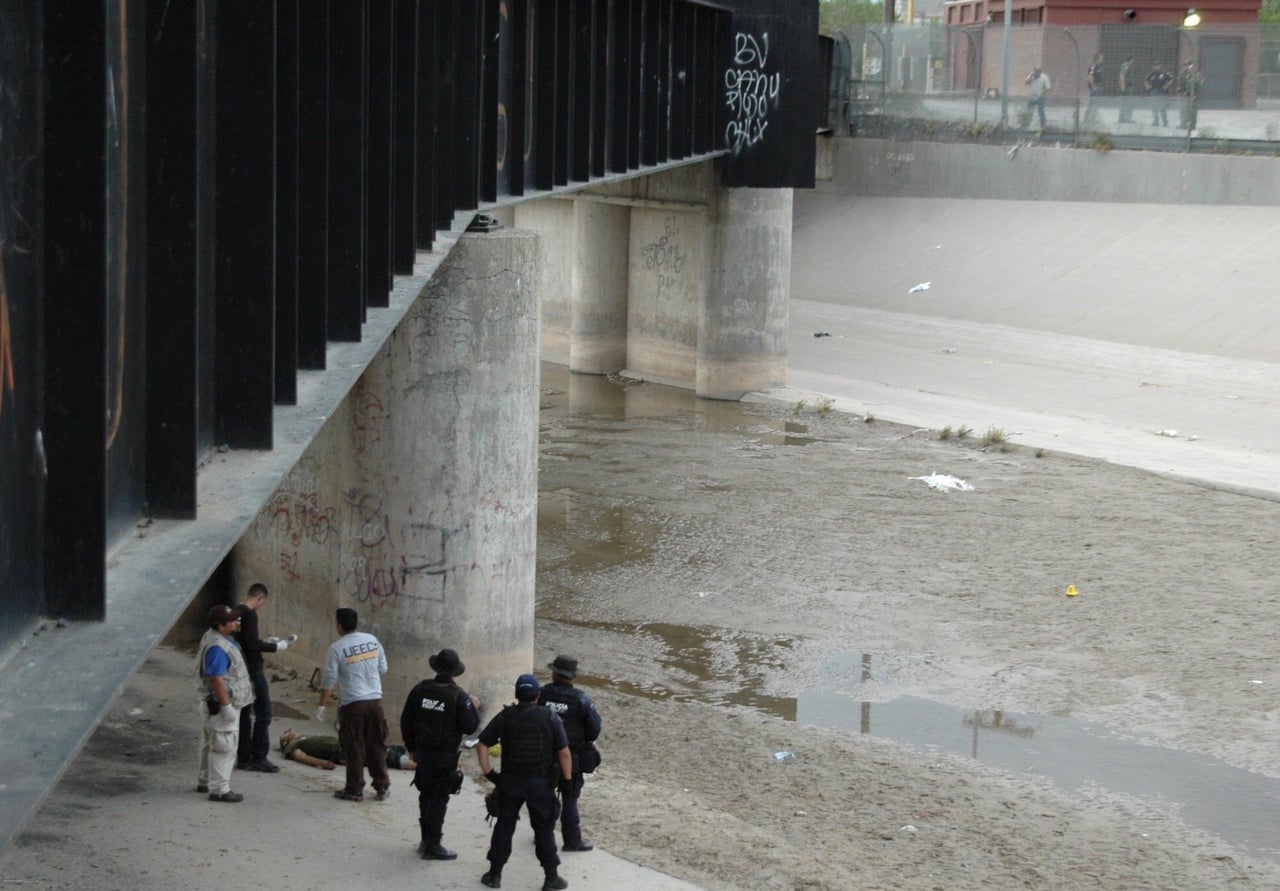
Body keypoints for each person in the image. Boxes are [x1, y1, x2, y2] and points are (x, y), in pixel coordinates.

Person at [476, 674, 574, 891]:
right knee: (543, 830)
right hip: (540, 783)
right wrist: (566, 781)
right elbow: (564, 753)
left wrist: (490, 773)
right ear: (538, 696)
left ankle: (494, 875)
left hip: (510, 782)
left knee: (504, 826)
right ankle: (551, 878)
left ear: (516, 694)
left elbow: (481, 744)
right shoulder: (550, 718)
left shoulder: (505, 716)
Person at [400, 647, 481, 861]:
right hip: (444, 755)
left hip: (423, 752)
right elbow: (470, 726)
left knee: (425, 794)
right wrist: (473, 707)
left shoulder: (420, 690)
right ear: (454, 672)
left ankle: (425, 839)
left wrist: (412, 748)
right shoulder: (459, 696)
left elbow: (406, 720)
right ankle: (433, 844)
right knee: (439, 798)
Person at [315, 607, 390, 802]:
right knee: (377, 745)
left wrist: (322, 705)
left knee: (354, 747)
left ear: (339, 626)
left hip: (352, 704)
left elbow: (329, 678)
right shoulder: (372, 641)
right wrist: (369, 681)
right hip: (375, 701)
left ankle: (355, 789)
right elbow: (383, 667)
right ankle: (382, 786)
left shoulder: (337, 648)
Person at [538, 655, 602, 853]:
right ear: (572, 676)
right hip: (571, 757)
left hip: (544, 756)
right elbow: (594, 729)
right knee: (570, 799)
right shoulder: (581, 699)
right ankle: (572, 841)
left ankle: (543, 835)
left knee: (545, 797)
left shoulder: (542, 694)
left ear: (555, 673)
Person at [234, 582, 293, 772]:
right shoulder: (250, 615)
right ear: (259, 598)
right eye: (262, 602)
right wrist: (275, 646)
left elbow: (245, 641)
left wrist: (264, 642)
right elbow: (251, 644)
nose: (261, 606)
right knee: (264, 712)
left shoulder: (235, 612)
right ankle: (259, 756)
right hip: (252, 668)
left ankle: (243, 757)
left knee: (244, 714)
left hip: (239, 669)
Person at [196, 604, 253, 803]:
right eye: (232, 621)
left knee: (209, 742)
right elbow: (217, 679)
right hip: (221, 704)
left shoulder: (214, 638)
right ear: (221, 626)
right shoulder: (218, 648)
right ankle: (220, 789)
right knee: (224, 745)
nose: (236, 622)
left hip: (212, 703)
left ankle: (204, 781)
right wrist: (227, 706)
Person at [277, 729, 418, 771]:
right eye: (287, 733)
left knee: (388, 749)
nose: (290, 731)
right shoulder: (292, 746)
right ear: (286, 741)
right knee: (386, 756)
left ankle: (418, 758)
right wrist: (322, 762)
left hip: (347, 745)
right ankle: (423, 766)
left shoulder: (306, 737)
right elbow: (301, 757)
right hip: (341, 752)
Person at [1146, 61, 1173, 126]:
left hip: (1162, 93)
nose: (1156, 67)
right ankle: (1156, 121)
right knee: (1154, 108)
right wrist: (1148, 86)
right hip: (1154, 92)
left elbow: (1171, 79)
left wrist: (1167, 85)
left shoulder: (1164, 73)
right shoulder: (1152, 74)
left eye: (1158, 65)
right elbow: (1146, 80)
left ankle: (1165, 122)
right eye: (1155, 65)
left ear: (1160, 66)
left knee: (1162, 108)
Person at [1024, 65, 1051, 130]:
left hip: (1040, 97)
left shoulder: (1044, 77)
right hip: (1032, 97)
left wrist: (1042, 93)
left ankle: (1043, 125)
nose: (1036, 74)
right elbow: (1026, 83)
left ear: (1040, 73)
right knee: (1028, 111)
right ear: (1034, 71)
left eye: (1038, 72)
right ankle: (1026, 124)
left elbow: (1048, 88)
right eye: (1035, 72)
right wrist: (1030, 76)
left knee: (1041, 111)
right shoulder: (1031, 76)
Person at [1178, 60, 1203, 129]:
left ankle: (1192, 125)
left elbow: (1199, 87)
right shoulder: (1183, 75)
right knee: (1183, 110)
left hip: (1193, 97)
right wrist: (1180, 91)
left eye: (1189, 66)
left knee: (1193, 112)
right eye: (1187, 66)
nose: (1187, 67)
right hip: (1185, 96)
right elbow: (1180, 84)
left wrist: (1196, 96)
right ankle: (1183, 124)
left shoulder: (1197, 76)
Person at [1084, 53, 1104, 125]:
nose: (1102, 59)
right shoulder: (1093, 66)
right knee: (1092, 103)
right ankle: (1087, 118)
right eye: (1101, 57)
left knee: (1096, 104)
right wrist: (1093, 87)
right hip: (1095, 88)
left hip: (1099, 87)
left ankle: (1093, 117)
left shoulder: (1100, 67)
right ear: (1098, 58)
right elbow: (1090, 76)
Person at [1117, 55, 1135, 123]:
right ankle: (1126, 119)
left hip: (1128, 87)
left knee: (1125, 103)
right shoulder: (1126, 65)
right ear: (1131, 59)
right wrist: (1123, 88)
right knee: (1127, 104)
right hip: (1127, 88)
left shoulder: (1126, 65)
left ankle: (1123, 118)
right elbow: (1122, 76)